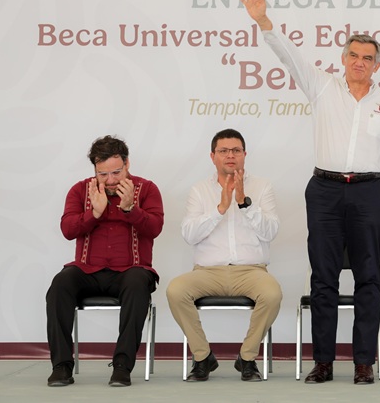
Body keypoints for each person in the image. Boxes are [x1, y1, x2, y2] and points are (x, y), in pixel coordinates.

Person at [239, 0, 380, 385]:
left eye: (367, 58)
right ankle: (323, 362)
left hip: (370, 192)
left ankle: (363, 363)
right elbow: (288, 54)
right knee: (323, 278)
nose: (359, 62)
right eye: (353, 55)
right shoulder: (321, 86)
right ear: (343, 59)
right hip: (325, 191)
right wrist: (263, 20)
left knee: (369, 277)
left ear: (376, 66)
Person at [45, 135, 163, 388]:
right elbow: (68, 230)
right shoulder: (80, 190)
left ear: (127, 164)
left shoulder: (147, 189)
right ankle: (61, 366)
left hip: (130, 271)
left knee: (137, 282)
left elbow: (155, 228)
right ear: (95, 170)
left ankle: (122, 366)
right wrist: (94, 213)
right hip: (87, 270)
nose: (110, 180)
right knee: (60, 284)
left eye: (116, 172)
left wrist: (131, 209)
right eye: (103, 174)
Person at [166, 129, 282, 382]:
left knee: (272, 294)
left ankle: (247, 358)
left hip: (251, 271)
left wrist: (244, 203)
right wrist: (220, 208)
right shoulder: (199, 190)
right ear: (213, 156)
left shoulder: (262, 187)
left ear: (244, 154)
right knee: (176, 290)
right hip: (208, 272)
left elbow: (271, 232)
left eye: (236, 150)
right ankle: (202, 357)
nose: (230, 156)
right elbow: (189, 235)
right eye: (224, 151)